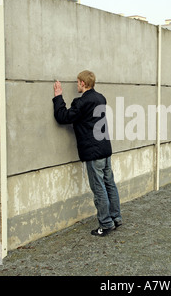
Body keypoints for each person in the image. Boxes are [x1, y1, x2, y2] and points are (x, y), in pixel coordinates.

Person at [52, 70, 122, 237]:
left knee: (99, 188)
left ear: (83, 83)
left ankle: (105, 224)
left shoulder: (82, 102)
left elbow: (63, 117)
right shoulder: (101, 98)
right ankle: (115, 217)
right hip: (105, 149)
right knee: (109, 184)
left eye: (77, 82)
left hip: (93, 152)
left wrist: (58, 96)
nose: (77, 85)